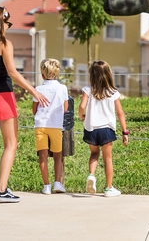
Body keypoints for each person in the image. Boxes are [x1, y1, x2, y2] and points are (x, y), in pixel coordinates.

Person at [0, 6, 49, 203]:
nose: (8, 27)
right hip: (2, 97)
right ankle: (2, 190)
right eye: (8, 23)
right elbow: (13, 73)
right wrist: (34, 91)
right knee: (11, 144)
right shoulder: (4, 44)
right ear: (0, 23)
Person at [79, 60, 128, 197]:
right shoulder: (113, 92)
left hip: (91, 129)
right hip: (106, 129)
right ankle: (108, 188)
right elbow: (120, 113)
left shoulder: (88, 90)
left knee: (94, 154)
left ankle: (91, 175)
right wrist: (125, 132)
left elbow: (82, 106)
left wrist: (81, 116)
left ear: (91, 75)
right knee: (108, 159)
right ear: (108, 74)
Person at [33, 58, 69, 195]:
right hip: (56, 125)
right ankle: (58, 183)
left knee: (43, 155)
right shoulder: (63, 88)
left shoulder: (39, 89)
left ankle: (46, 185)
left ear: (42, 75)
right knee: (57, 154)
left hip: (40, 125)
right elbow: (65, 107)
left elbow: (34, 109)